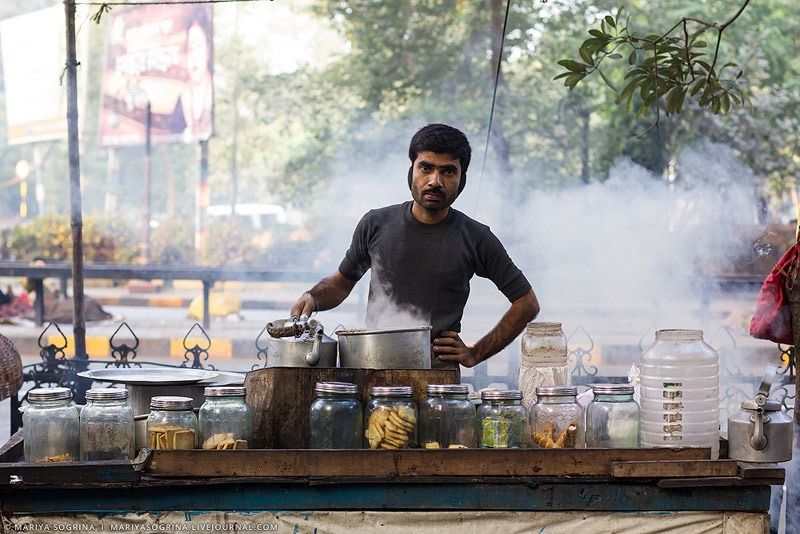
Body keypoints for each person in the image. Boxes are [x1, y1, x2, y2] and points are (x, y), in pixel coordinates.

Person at [291, 123, 539, 369]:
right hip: (373, 371)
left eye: (448, 171)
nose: (435, 181)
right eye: (426, 168)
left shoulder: (476, 237)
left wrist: (475, 353)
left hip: (437, 384)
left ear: (461, 179)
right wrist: (313, 297)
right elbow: (340, 284)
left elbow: (526, 303)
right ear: (411, 172)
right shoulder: (375, 223)